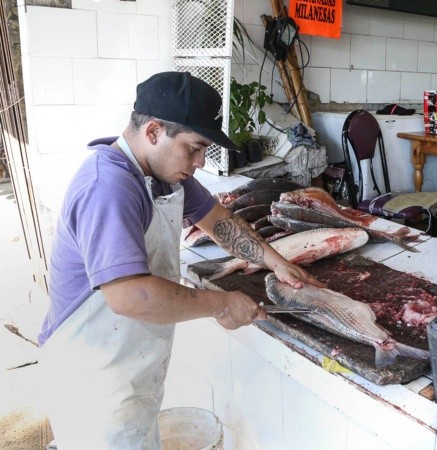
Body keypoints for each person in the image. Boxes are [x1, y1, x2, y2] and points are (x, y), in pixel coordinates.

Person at [38, 71, 323, 449]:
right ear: (153, 132)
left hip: (128, 371)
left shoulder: (161, 173)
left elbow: (218, 220)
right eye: (194, 147)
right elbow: (130, 296)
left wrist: (276, 262)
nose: (201, 162)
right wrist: (223, 304)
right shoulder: (108, 186)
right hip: (93, 381)